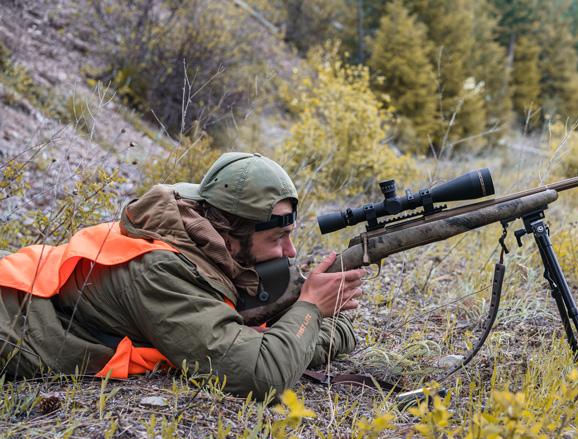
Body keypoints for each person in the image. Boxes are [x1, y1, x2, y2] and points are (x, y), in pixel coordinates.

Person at [0, 152, 365, 398]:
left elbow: (341, 331)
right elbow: (262, 373)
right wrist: (310, 311)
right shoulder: (164, 271)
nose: (290, 253)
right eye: (277, 238)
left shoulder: (213, 248)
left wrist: (294, 328)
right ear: (229, 235)